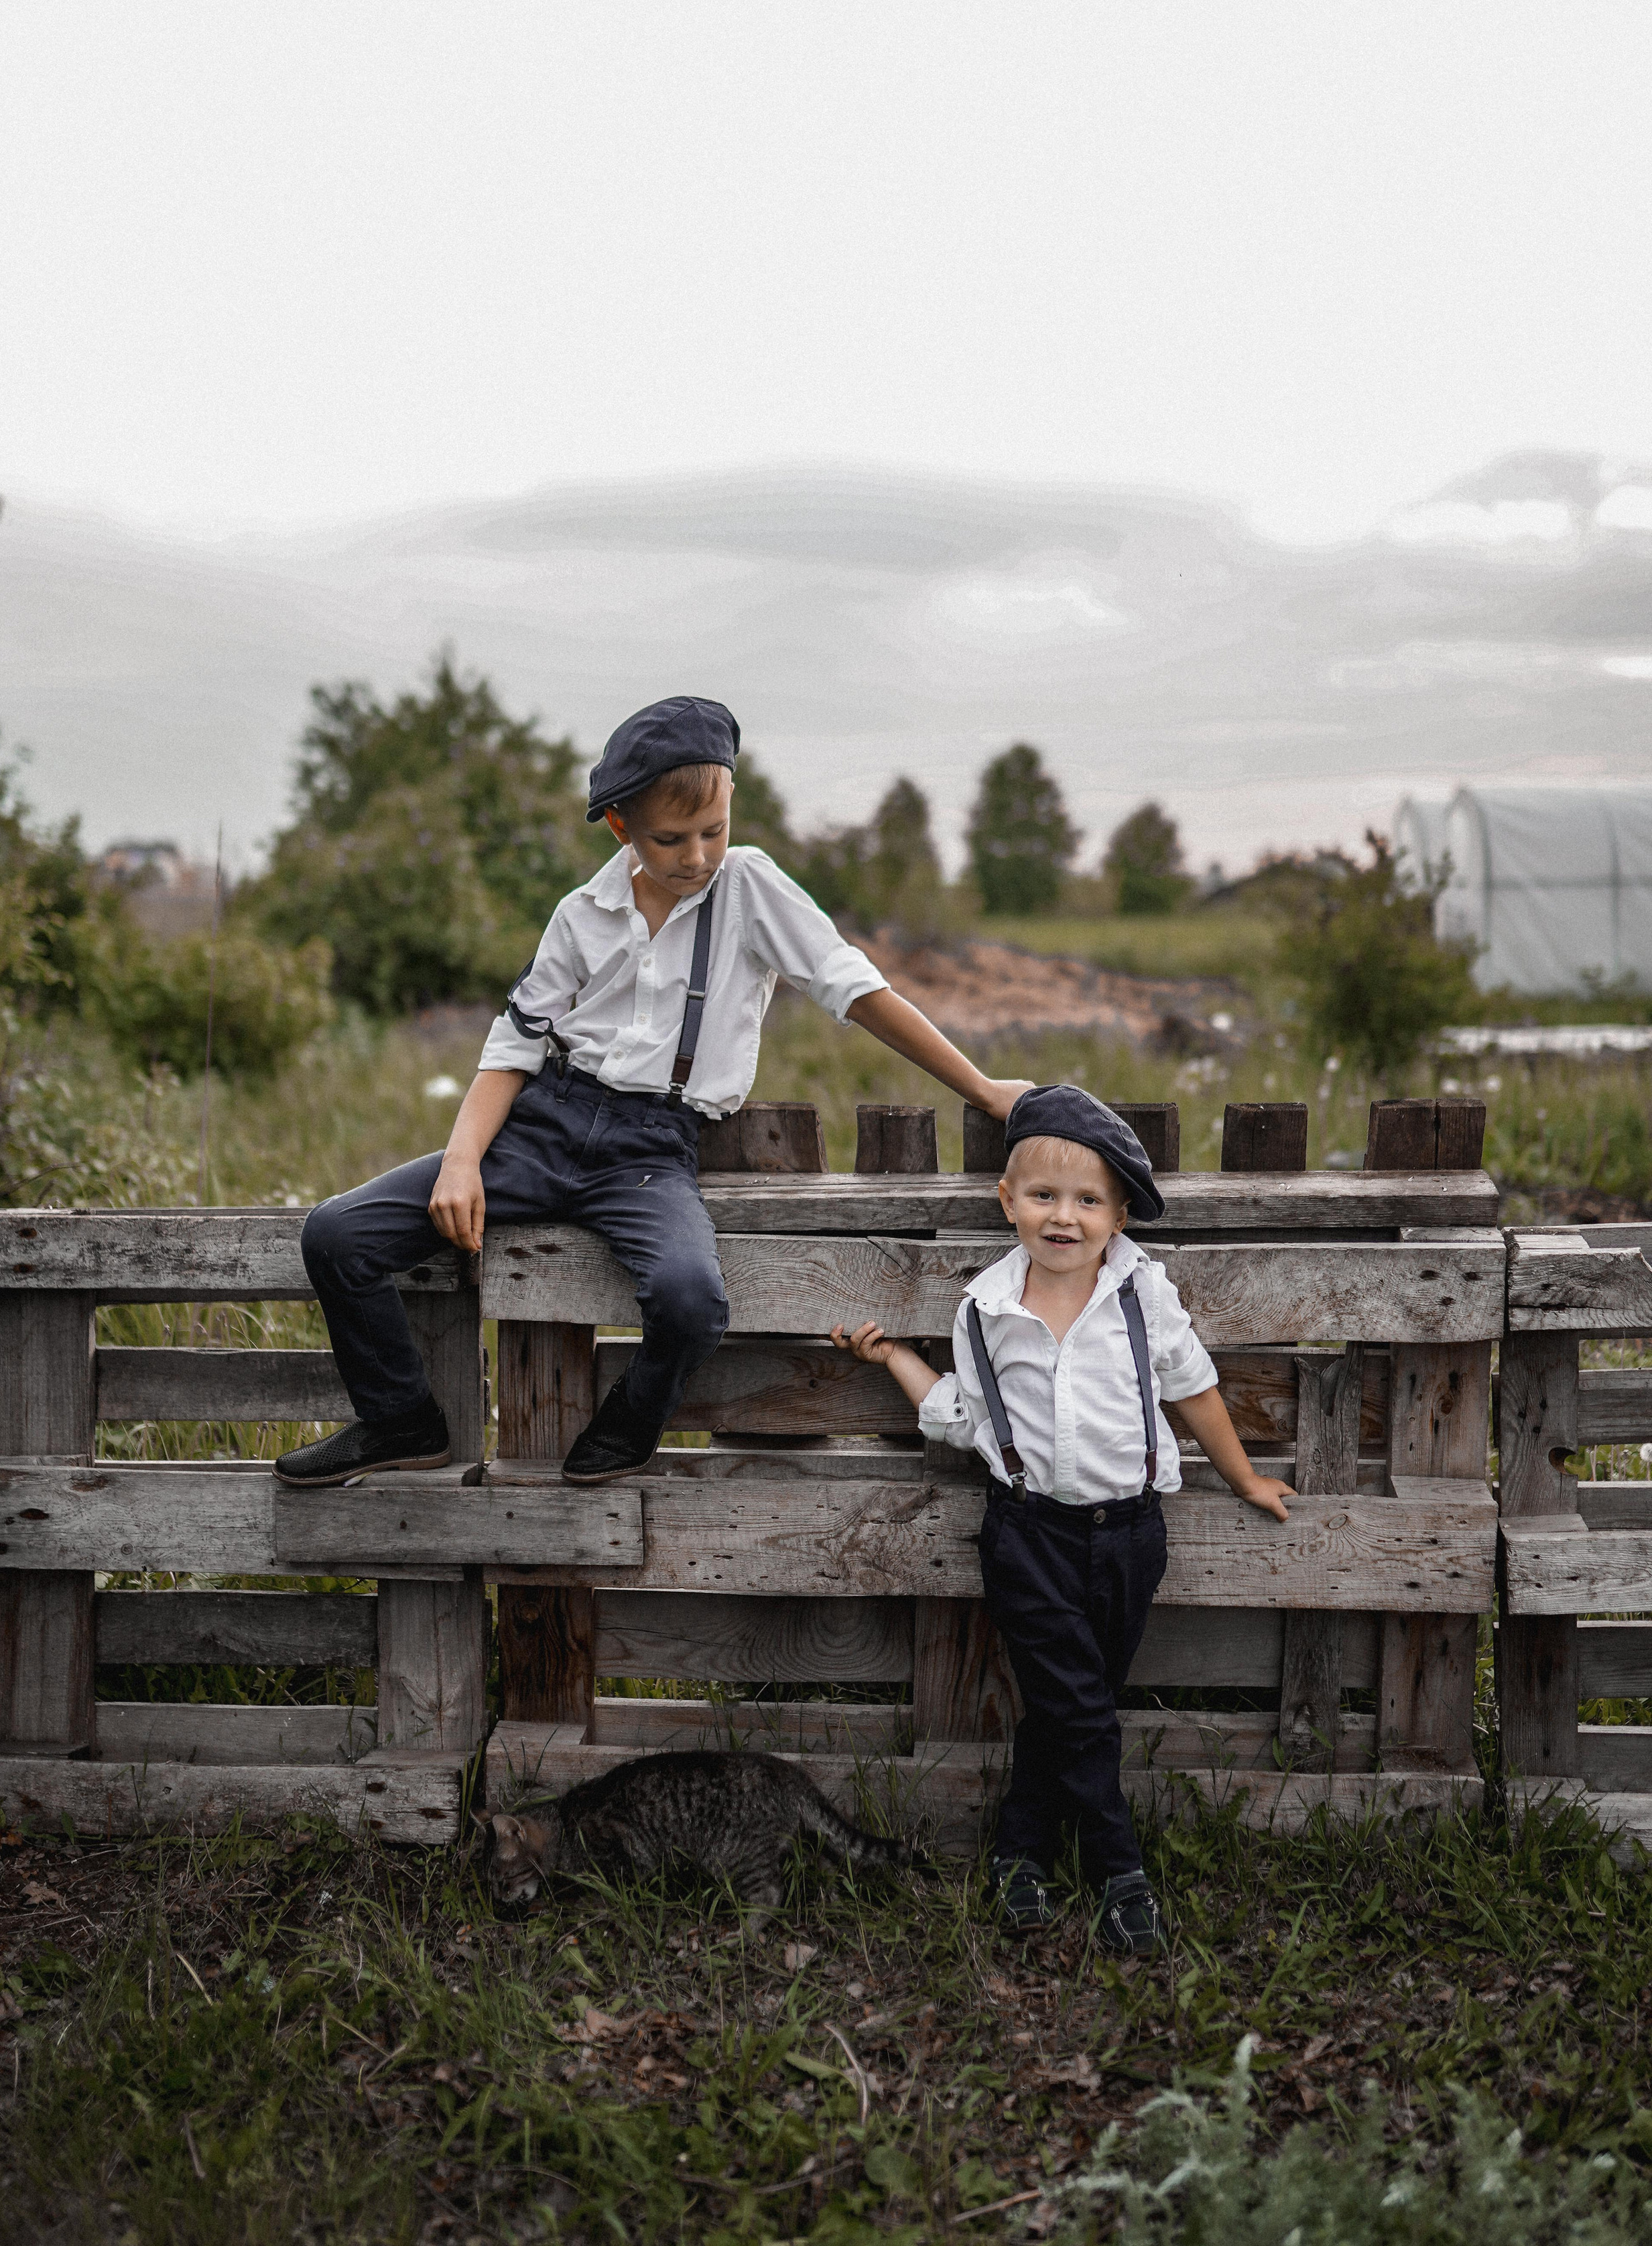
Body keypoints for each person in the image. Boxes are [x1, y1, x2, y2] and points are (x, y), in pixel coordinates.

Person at [276, 694, 1033, 1489]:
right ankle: (402, 1419)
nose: (698, 855)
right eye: (671, 839)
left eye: (714, 830)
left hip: (648, 1151)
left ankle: (633, 1421)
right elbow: (513, 1045)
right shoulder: (580, 915)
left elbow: (856, 990)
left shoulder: (748, 888)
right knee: (336, 1235)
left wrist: (982, 1089)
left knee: (689, 1298)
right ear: (621, 829)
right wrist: (464, 1158)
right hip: (541, 1128)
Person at [830, 1083, 1293, 1950]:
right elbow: (969, 1420)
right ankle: (1121, 1875)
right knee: (1081, 1711)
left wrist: (1245, 1481)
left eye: (1088, 1201)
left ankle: (1020, 1854)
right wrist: (894, 1356)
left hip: (1129, 1539)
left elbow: (1194, 1390)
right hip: (1027, 1536)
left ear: (1119, 1217)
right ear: (1008, 1202)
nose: (1064, 1218)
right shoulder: (985, 1310)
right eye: (1044, 1196)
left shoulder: (1141, 1296)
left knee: (1068, 1707)